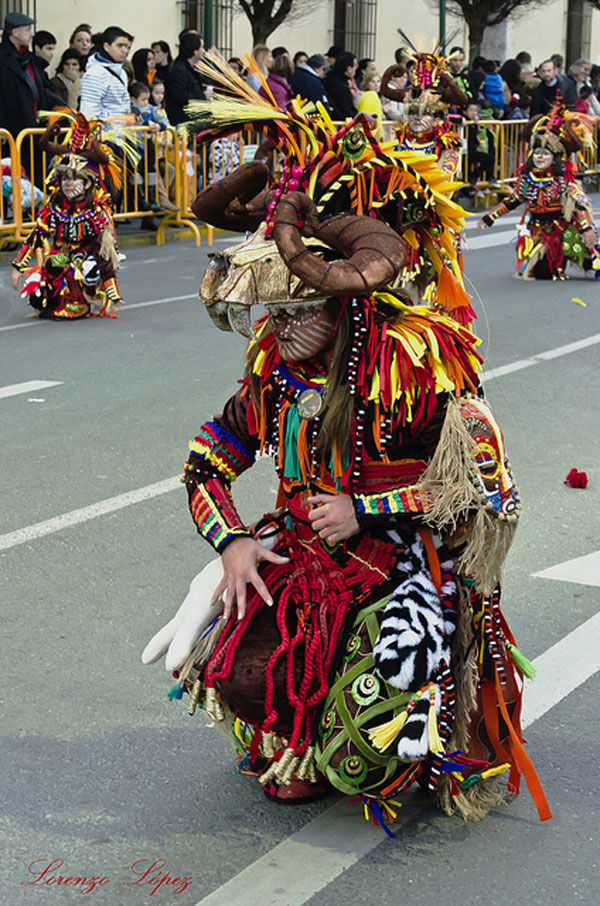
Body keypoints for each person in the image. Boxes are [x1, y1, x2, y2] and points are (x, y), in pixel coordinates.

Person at [143, 57, 550, 825]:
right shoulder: (273, 373)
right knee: (250, 677)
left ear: (351, 302)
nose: (275, 330)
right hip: (298, 551)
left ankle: (387, 730)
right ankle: (289, 730)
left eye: (297, 310)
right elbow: (204, 463)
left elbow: (489, 488)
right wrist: (232, 544)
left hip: (398, 562)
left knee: (365, 755)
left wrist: (369, 508)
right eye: (266, 314)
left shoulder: (417, 365)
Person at [10, 113, 124, 319]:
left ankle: (82, 300)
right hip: (59, 255)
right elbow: (37, 234)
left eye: (75, 179)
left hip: (84, 258)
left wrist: (111, 288)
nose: (68, 184)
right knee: (40, 294)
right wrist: (19, 266)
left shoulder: (95, 211)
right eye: (64, 179)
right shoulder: (55, 206)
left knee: (81, 268)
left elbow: (103, 252)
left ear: (88, 183)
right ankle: (57, 298)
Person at [478, 102, 598, 279]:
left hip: (561, 229)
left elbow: (579, 207)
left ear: (555, 157)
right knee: (542, 272)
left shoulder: (563, 181)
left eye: (545, 153)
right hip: (537, 231)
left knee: (592, 263)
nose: (540, 157)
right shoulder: (527, 180)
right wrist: (489, 217)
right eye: (537, 153)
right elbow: (513, 201)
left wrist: (587, 229)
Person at [80, 26, 133, 124]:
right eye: (120, 45)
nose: (125, 50)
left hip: (120, 135)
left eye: (126, 46)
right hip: (103, 136)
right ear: (107, 46)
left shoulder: (122, 73)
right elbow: (88, 113)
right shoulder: (95, 74)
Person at [165, 32, 207, 127]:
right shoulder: (179, 70)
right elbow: (180, 97)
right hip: (184, 121)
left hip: (194, 119)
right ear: (194, 50)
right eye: (202, 47)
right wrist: (203, 97)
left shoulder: (192, 68)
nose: (204, 51)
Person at [324, 51, 358, 119]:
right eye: (355, 66)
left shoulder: (333, 78)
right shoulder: (338, 84)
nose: (356, 68)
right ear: (349, 68)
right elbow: (345, 109)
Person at [356, 70, 385, 141]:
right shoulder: (369, 95)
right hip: (370, 135)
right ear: (367, 83)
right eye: (373, 82)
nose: (376, 84)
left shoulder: (374, 95)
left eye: (378, 82)